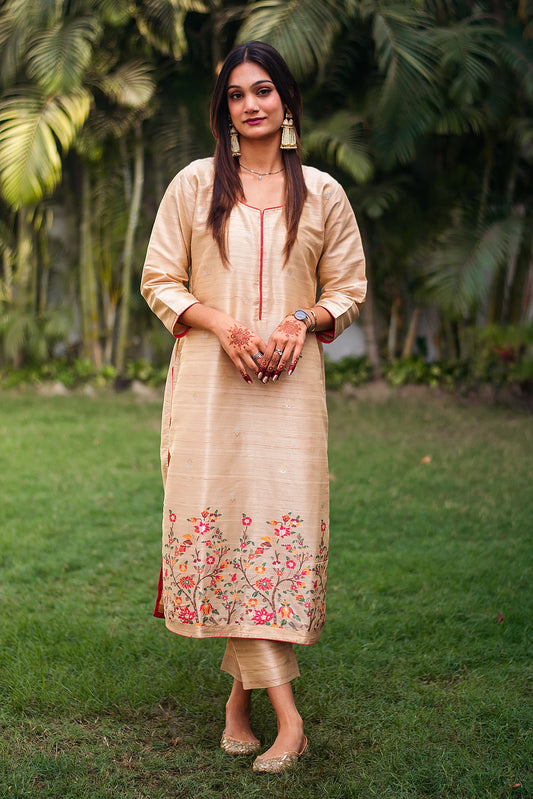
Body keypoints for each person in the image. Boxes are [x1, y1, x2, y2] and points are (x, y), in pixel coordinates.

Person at [141, 40, 366, 774]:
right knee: (228, 529)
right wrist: (223, 324)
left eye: (263, 90)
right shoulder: (194, 184)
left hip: (289, 395)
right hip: (210, 387)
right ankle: (289, 720)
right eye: (236, 94)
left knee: (269, 534)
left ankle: (242, 703)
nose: (251, 104)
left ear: (287, 102)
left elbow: (347, 289)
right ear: (224, 110)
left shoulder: (324, 193)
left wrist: (299, 322)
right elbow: (159, 279)